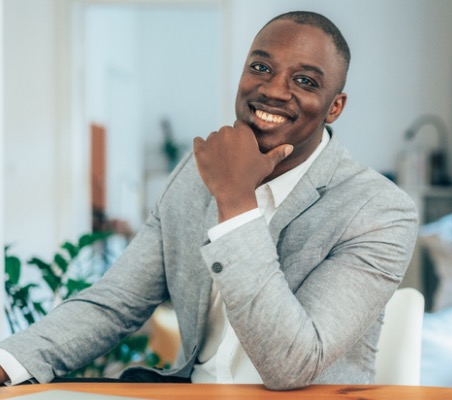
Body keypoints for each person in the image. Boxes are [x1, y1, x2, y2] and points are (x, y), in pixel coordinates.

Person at [0, 11, 417, 390]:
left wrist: (235, 203)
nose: (272, 90)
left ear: (334, 107)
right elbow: (115, 301)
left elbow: (292, 365)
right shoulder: (195, 171)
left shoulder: (380, 211)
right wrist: (7, 364)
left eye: (304, 81)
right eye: (261, 67)